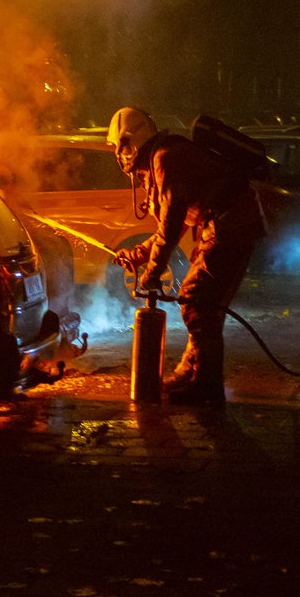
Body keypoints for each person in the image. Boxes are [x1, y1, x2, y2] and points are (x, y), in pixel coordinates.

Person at [107, 107, 266, 404]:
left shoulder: (165, 159)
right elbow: (175, 223)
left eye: (120, 147)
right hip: (226, 227)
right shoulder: (161, 159)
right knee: (203, 305)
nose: (120, 155)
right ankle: (190, 372)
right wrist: (140, 255)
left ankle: (206, 388)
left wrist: (153, 272)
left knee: (196, 301)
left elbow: (170, 224)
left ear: (129, 143)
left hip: (228, 228)